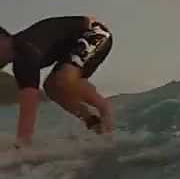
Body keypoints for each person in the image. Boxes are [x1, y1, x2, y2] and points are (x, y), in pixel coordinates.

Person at [0, 16, 116, 147]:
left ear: (3, 39)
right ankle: (93, 123)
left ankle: (104, 108)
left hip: (95, 33)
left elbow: (29, 105)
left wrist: (22, 146)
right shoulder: (21, 58)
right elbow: (28, 101)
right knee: (51, 87)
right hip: (73, 46)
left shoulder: (25, 50)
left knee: (64, 78)